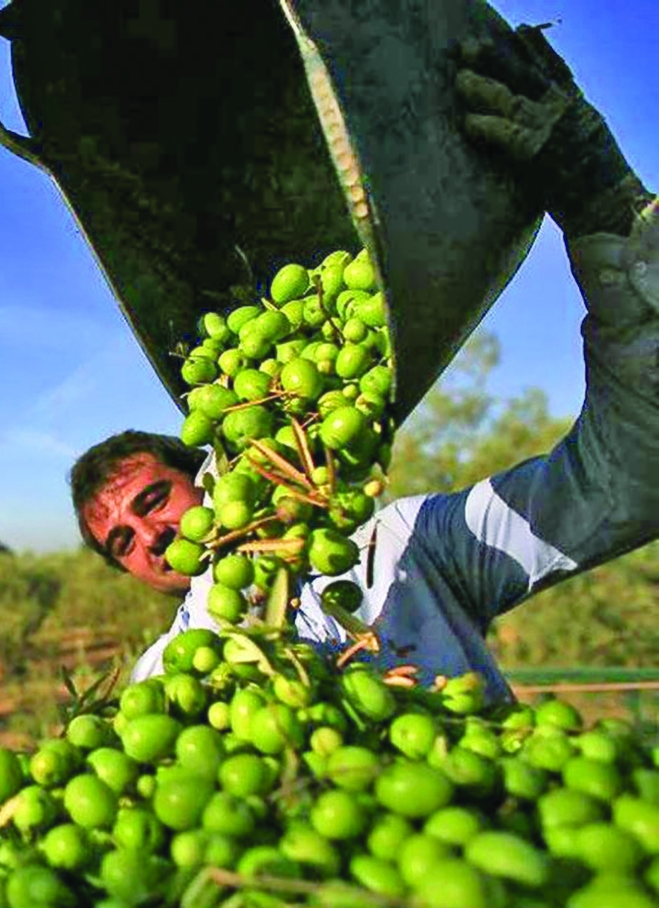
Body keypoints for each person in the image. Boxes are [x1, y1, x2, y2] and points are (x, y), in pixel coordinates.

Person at [69, 26, 657, 701]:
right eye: (122, 543)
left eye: (152, 501)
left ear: (206, 475)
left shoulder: (402, 549)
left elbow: (633, 479)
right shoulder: (167, 682)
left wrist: (607, 214)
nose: (149, 535)